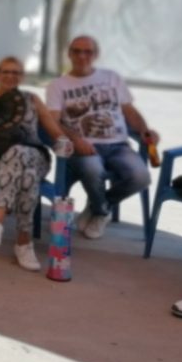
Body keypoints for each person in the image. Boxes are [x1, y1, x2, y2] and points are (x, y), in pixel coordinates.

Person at [0, 56, 71, 271]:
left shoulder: (32, 99)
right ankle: (23, 242)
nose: (10, 76)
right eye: (5, 71)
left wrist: (65, 144)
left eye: (15, 72)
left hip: (36, 158)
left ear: (22, 77)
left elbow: (55, 131)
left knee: (20, 153)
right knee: (26, 174)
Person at [45, 35, 157, 240]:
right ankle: (101, 211)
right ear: (69, 54)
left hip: (118, 145)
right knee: (92, 169)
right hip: (84, 147)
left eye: (87, 51)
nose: (82, 56)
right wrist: (76, 140)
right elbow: (54, 121)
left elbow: (129, 111)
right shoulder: (58, 85)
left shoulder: (111, 77)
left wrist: (144, 130)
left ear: (95, 55)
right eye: (77, 51)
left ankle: (99, 208)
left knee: (141, 177)